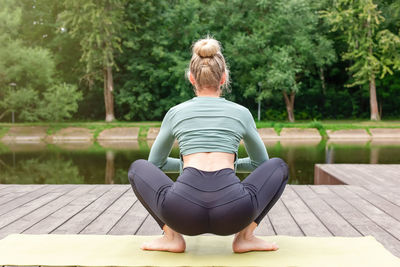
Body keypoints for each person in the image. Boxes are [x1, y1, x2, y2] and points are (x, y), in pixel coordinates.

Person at [128, 37, 289, 253]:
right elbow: (262, 164)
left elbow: (153, 164)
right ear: (223, 78)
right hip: (234, 214)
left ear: (191, 79)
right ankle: (244, 237)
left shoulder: (175, 113)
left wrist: (186, 164)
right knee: (279, 166)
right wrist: (231, 164)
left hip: (181, 214)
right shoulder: (242, 113)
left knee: (137, 168)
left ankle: (172, 237)